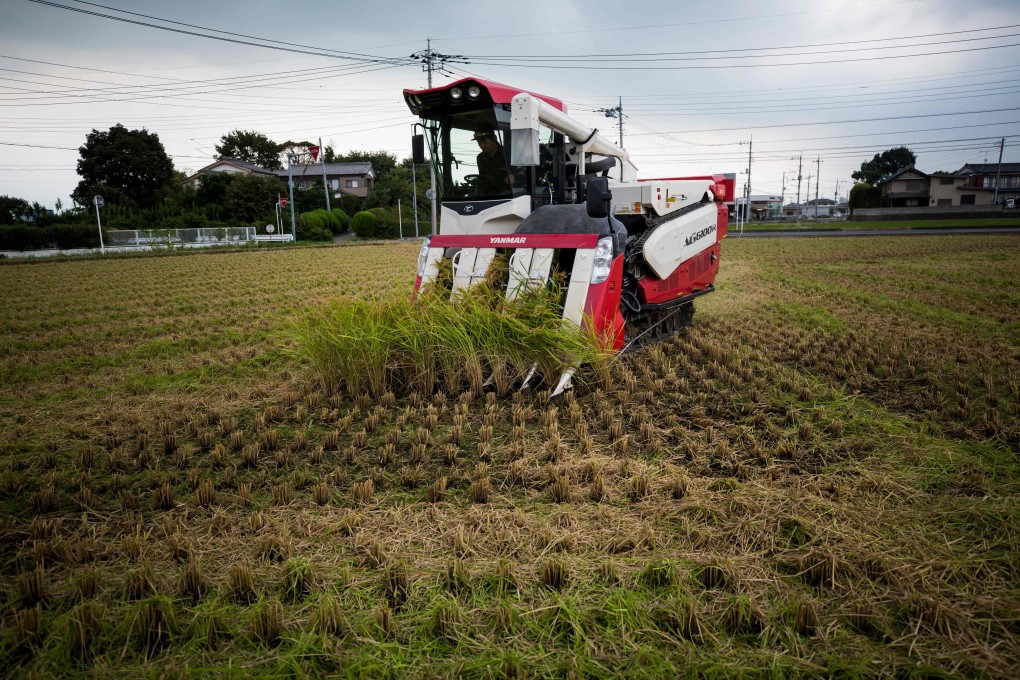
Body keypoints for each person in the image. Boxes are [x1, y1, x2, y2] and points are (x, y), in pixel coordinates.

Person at [473, 129, 512, 195]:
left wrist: (513, 178)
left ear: (494, 139)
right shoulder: (480, 158)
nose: (482, 146)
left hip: (508, 194)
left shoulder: (508, 153)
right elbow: (482, 177)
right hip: (488, 194)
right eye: (479, 143)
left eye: (485, 142)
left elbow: (521, 174)